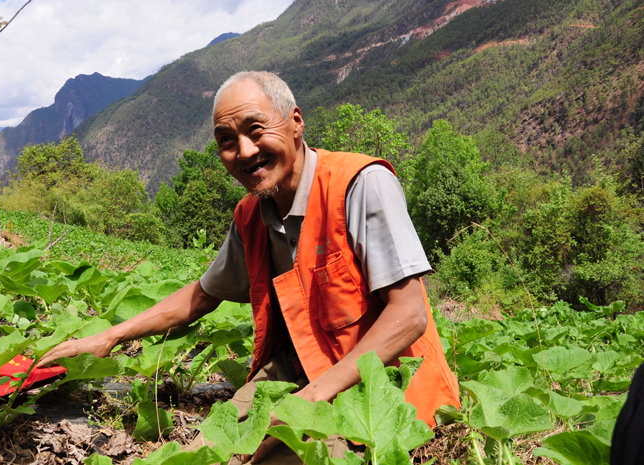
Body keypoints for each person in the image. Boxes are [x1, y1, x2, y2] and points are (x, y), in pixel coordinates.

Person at [38, 71, 460, 463]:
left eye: (256, 130)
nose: (244, 151)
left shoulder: (359, 183)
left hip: (383, 390)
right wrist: (109, 336)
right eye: (226, 140)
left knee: (272, 456)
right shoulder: (251, 216)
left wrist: (309, 400)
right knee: (204, 452)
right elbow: (203, 295)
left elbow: (409, 315)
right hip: (296, 370)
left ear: (296, 122)